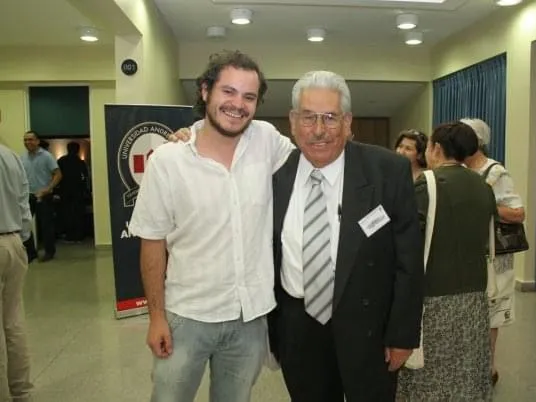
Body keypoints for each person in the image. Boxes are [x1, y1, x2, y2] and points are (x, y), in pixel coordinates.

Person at [129, 50, 294, 402]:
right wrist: (156, 317)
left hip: (249, 319)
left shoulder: (267, 141)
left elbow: (314, 157)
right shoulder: (168, 161)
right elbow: (152, 243)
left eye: (249, 97)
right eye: (228, 92)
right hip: (187, 317)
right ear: (205, 91)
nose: (238, 104)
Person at [268, 71, 424, 402]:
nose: (319, 130)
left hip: (369, 329)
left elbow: (408, 261)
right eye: (309, 117)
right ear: (293, 122)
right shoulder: (273, 174)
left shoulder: (387, 172)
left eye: (330, 118)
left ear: (348, 121)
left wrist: (402, 335)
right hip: (299, 328)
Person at [397, 121, 496, 401]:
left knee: (429, 376)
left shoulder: (427, 186)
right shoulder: (483, 185)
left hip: (434, 297)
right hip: (474, 296)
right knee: (465, 371)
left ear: (435, 149)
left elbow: (405, 239)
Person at [461, 117, 525, 385]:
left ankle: (489, 366)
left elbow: (517, 213)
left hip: (492, 255)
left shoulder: (495, 172)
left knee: (491, 311)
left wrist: (484, 204)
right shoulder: (459, 169)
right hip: (466, 251)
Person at [0, 144, 34, 401]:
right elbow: (24, 202)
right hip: (13, 242)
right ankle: (21, 391)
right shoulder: (11, 156)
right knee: (13, 320)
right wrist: (21, 237)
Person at [21, 130, 62, 262]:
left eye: (31, 139)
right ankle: (31, 253)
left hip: (44, 196)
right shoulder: (22, 157)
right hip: (28, 196)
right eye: (25, 140)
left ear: (37, 141)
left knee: (46, 225)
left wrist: (47, 189)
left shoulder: (46, 156)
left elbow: (58, 175)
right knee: (25, 225)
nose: (28, 142)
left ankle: (49, 252)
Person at [57, 142, 89, 242]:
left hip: (64, 192)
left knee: (66, 213)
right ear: (78, 150)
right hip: (78, 192)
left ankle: (69, 235)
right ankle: (78, 235)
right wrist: (86, 191)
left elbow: (56, 176)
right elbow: (85, 177)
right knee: (78, 214)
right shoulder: (80, 162)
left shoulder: (61, 161)